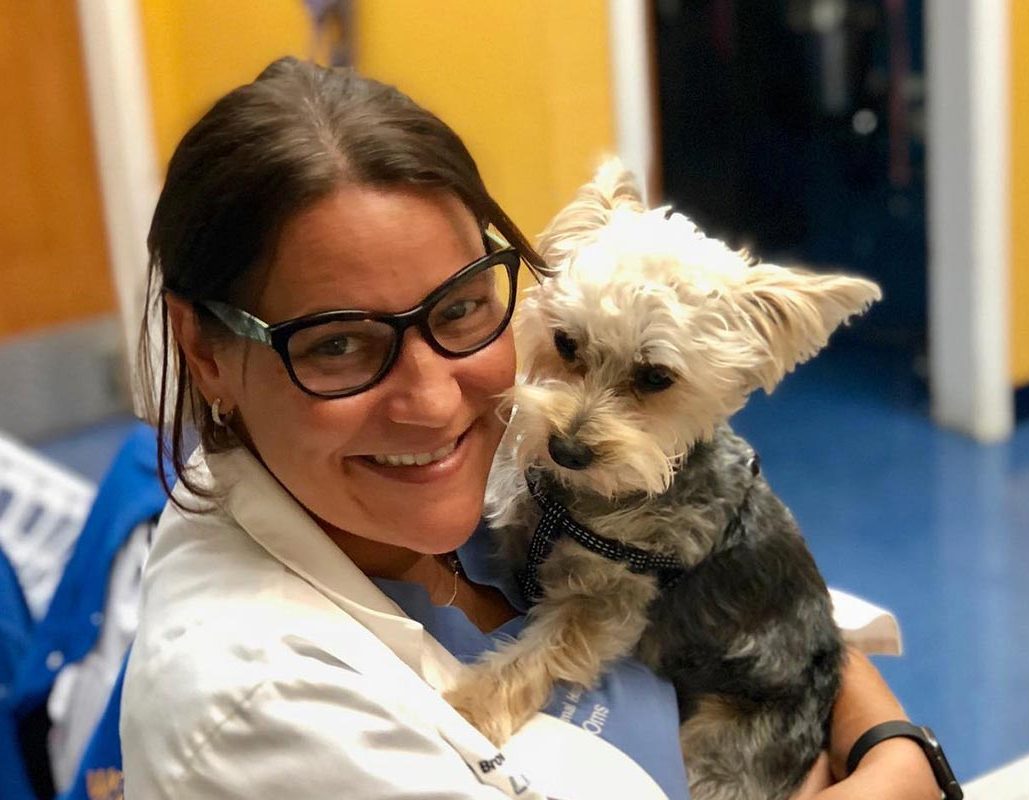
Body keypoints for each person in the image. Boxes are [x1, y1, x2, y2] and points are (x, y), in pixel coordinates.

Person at [122, 57, 941, 799]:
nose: (439, 404)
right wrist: (891, 780)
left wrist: (892, 743)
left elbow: (777, 614)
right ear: (207, 351)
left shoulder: (479, 469)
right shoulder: (267, 715)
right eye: (337, 344)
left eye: (461, 308)